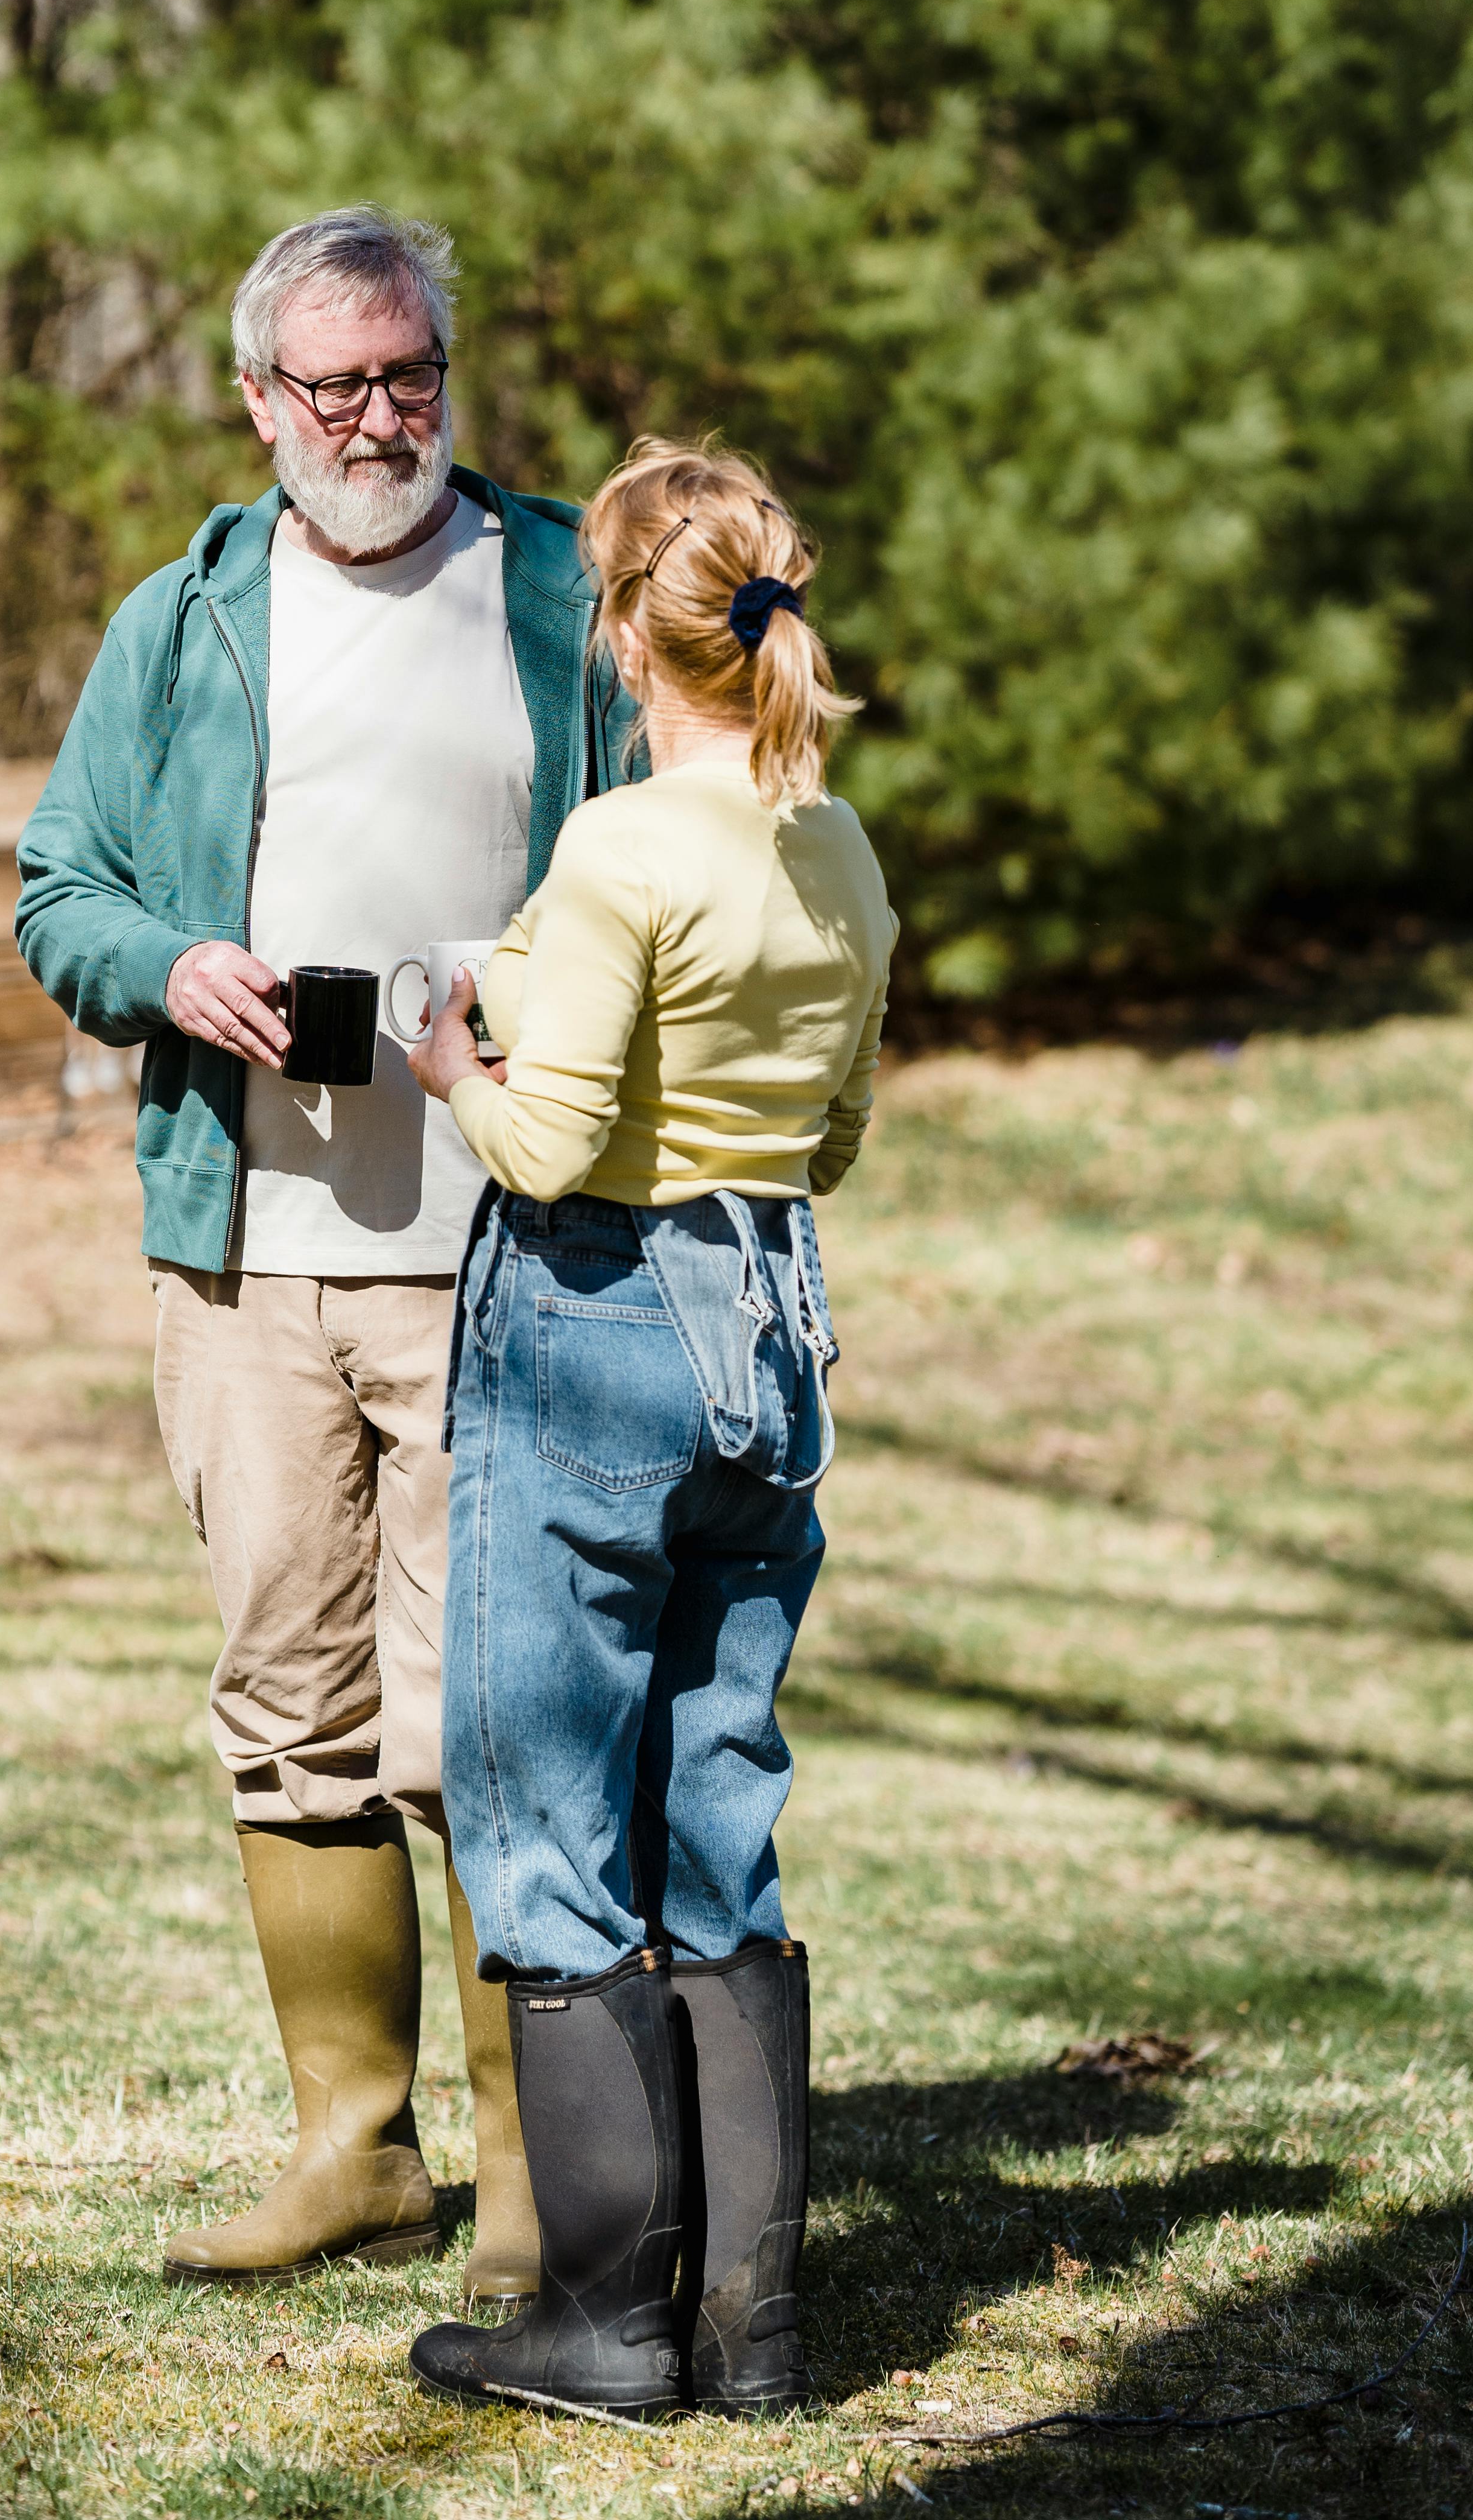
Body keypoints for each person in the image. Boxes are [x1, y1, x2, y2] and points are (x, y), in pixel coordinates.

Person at [14, 208, 637, 2297]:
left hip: (509, 1249)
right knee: (288, 1703)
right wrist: (165, 964)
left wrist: (538, 998)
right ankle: (355, 2150)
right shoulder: (182, 619)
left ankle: (537, 2181)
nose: (381, 420)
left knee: (492, 1725)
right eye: (338, 385)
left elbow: (678, 873)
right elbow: (55, 889)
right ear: (259, 402)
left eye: (412, 378)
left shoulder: (566, 591)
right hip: (244, 1253)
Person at [399, 438, 896, 2423]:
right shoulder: (836, 845)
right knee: (717, 1807)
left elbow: (546, 1135)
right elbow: (836, 1129)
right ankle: (754, 2332)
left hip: (597, 1326)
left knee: (538, 1812)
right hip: (770, 1325)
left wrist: (451, 1053)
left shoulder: (622, 850)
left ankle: (605, 2323)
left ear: (627, 636)